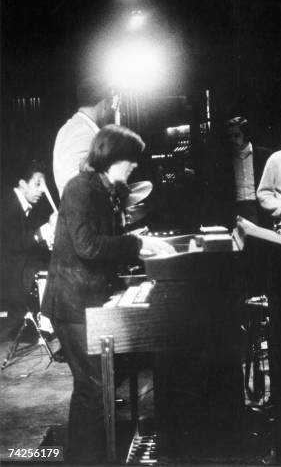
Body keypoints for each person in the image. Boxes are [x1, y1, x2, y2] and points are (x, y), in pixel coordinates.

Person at [42, 125, 175, 464]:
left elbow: (102, 245)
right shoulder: (80, 189)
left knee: (93, 389)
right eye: (130, 159)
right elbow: (87, 246)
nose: (133, 166)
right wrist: (137, 243)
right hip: (72, 304)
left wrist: (136, 242)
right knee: (92, 390)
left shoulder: (102, 190)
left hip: (85, 299)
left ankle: (84, 458)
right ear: (111, 156)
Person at [1, 161, 56, 310]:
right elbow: (12, 243)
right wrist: (43, 232)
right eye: (38, 184)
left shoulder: (24, 208)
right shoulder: (6, 205)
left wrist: (47, 241)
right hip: (7, 286)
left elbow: (27, 242)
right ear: (23, 184)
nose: (42, 191)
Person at [53, 77, 115, 197]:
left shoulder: (68, 129)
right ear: (104, 105)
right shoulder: (84, 134)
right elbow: (81, 191)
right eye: (111, 105)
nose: (111, 111)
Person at [223, 116, 271, 226]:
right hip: (236, 208)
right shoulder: (226, 159)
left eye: (236, 135)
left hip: (258, 207)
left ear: (246, 134)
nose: (232, 139)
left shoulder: (264, 155)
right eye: (230, 136)